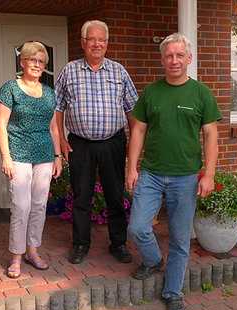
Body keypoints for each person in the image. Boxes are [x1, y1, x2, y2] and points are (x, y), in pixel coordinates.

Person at [126, 33, 223, 310]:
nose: (174, 60)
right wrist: (132, 168)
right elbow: (138, 131)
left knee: (180, 239)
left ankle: (173, 291)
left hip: (185, 176)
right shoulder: (151, 92)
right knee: (138, 227)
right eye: (169, 55)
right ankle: (154, 260)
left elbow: (211, 137)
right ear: (162, 60)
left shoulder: (201, 93)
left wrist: (209, 175)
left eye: (180, 55)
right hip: (152, 173)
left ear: (189, 59)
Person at [54, 20, 138, 264]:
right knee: (81, 196)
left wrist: (134, 142)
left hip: (113, 142)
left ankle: (118, 243)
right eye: (92, 39)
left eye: (101, 39)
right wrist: (60, 138)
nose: (97, 44)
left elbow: (132, 109)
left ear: (107, 43)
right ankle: (81, 244)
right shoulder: (69, 71)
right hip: (80, 144)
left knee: (115, 195)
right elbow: (57, 108)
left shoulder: (119, 71)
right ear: (83, 42)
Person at [0, 41, 62, 279]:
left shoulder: (49, 93)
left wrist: (58, 156)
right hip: (19, 154)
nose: (36, 64)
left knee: (39, 206)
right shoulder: (10, 88)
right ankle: (16, 255)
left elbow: (54, 128)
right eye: (32, 60)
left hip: (44, 155)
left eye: (41, 61)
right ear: (22, 62)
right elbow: (0, 124)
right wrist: (6, 157)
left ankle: (33, 251)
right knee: (21, 206)